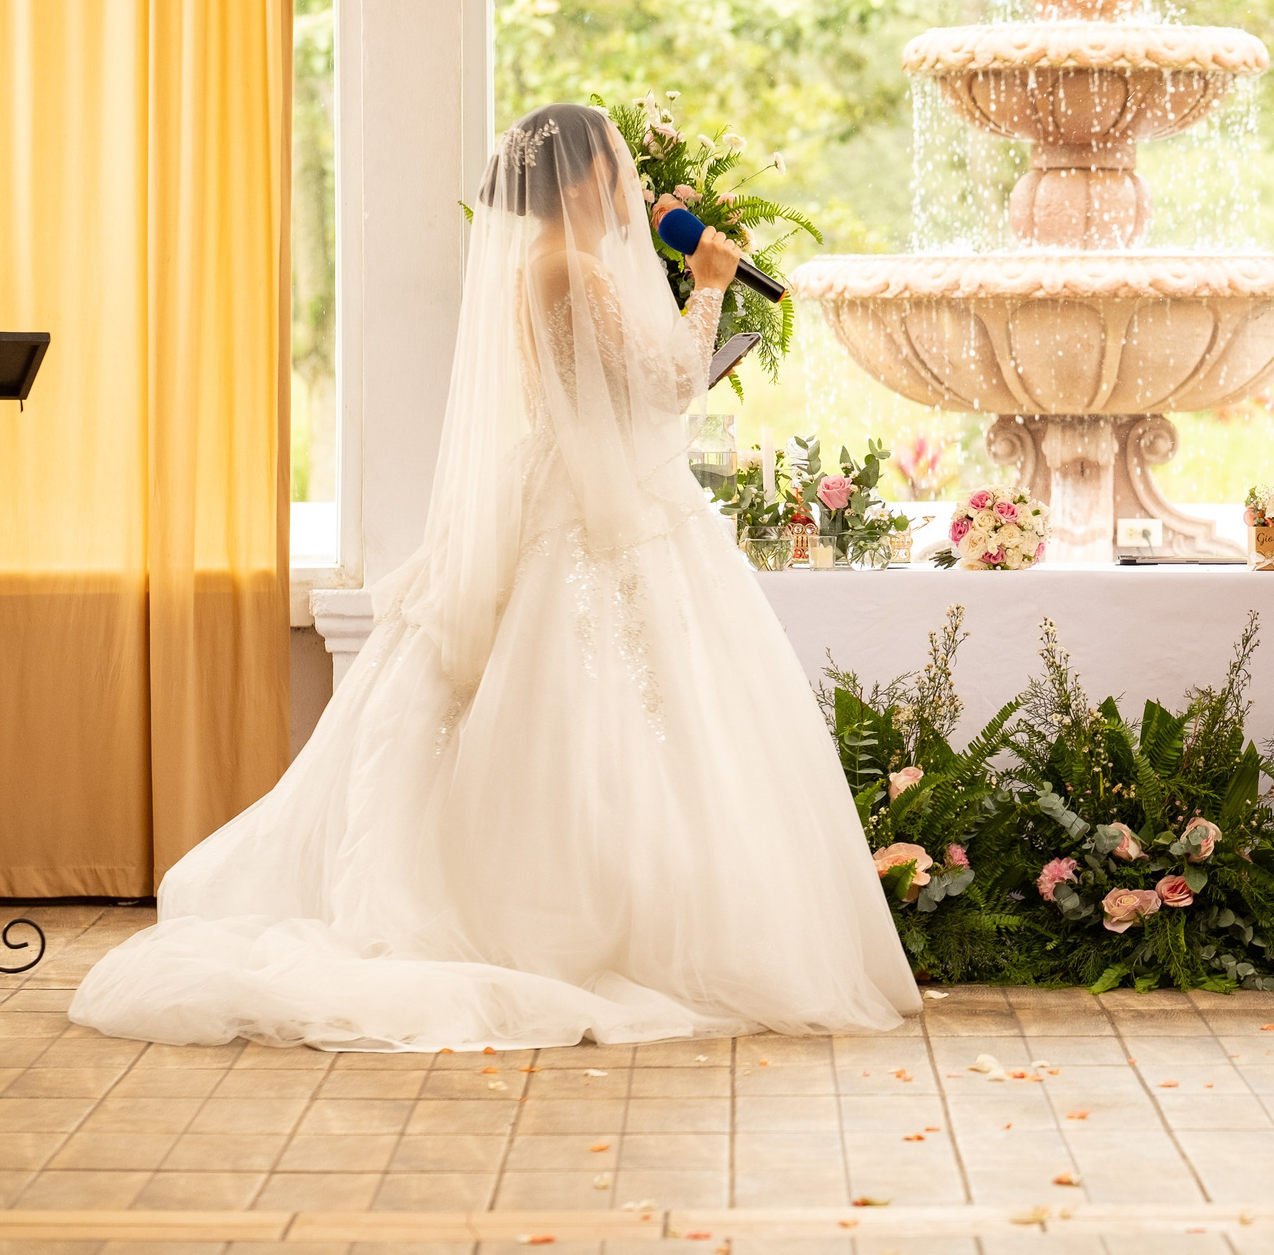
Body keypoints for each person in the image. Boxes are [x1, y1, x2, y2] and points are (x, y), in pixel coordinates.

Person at [71, 105, 919, 1049]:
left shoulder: (554, 262)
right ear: (583, 179)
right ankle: (598, 915)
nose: (630, 187)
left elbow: (621, 384)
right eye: (617, 169)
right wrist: (712, 287)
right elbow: (669, 384)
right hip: (595, 511)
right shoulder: (570, 266)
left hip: (584, 488)